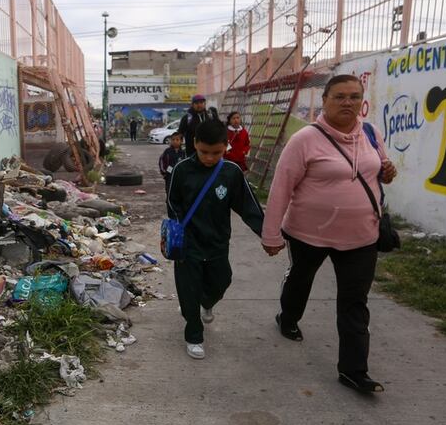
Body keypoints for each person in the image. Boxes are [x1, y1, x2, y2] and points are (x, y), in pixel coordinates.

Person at [261, 74, 397, 393]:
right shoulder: (305, 139)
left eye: (354, 96)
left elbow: (381, 170)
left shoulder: (370, 132)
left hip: (362, 236)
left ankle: (353, 370)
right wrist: (271, 236)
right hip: (309, 234)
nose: (347, 102)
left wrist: (388, 171)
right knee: (301, 280)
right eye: (339, 96)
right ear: (324, 100)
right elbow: (281, 188)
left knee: (354, 302)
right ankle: (288, 317)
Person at [167, 118, 265, 360]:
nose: (209, 158)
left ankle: (206, 302)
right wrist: (179, 228)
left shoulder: (231, 173)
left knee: (222, 280)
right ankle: (194, 335)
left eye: (216, 152)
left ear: (225, 147)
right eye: (204, 152)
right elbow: (172, 202)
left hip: (218, 242)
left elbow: (248, 206)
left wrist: (267, 234)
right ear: (195, 143)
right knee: (188, 289)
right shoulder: (182, 170)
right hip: (187, 243)